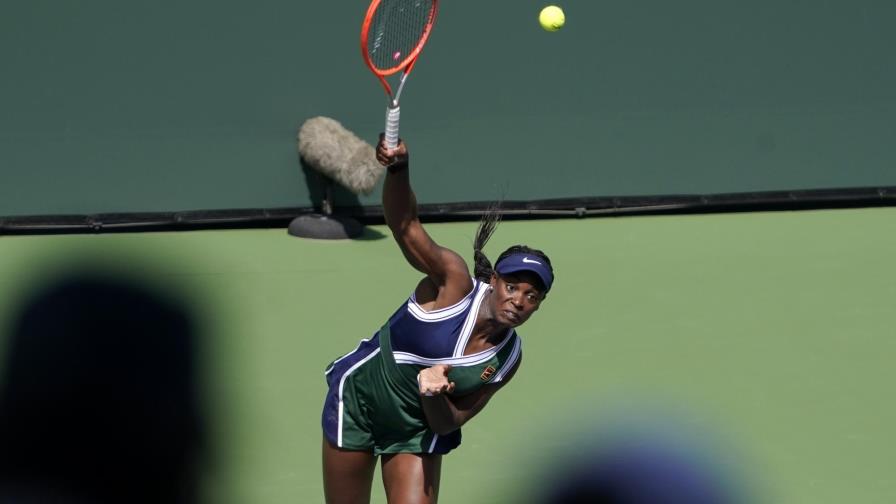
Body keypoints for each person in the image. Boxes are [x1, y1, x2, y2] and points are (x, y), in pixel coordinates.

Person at [321, 136, 555, 504]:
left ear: (539, 305)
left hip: (415, 429)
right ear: (493, 280)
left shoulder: (507, 358)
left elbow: (448, 422)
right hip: (360, 402)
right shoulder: (453, 282)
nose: (519, 301)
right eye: (512, 286)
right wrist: (398, 168)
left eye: (532, 296)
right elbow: (405, 226)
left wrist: (433, 392)